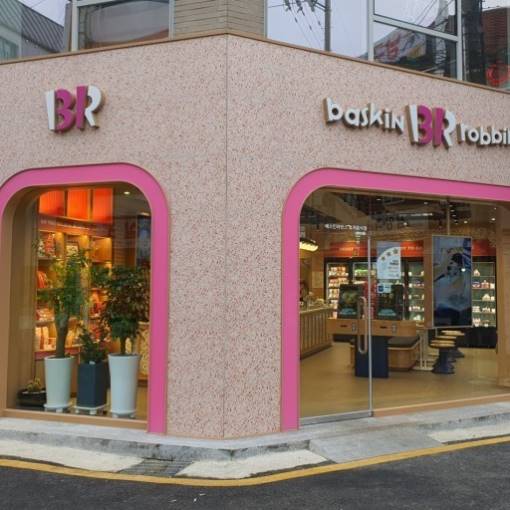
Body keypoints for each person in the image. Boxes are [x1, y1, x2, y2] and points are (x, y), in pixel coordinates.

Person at [434, 249, 471, 326]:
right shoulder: (442, 280)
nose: (449, 265)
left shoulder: (466, 277)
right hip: (445, 313)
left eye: (451, 263)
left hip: (457, 314)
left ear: (459, 265)